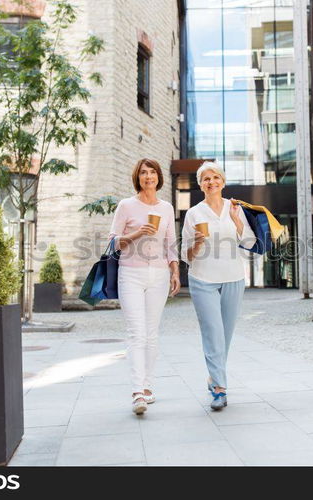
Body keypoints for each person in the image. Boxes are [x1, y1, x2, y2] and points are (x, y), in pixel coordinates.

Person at [181, 161, 256, 410]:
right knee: (213, 332)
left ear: (222, 181)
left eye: (215, 177)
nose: (211, 182)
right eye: (205, 179)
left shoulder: (235, 208)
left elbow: (249, 241)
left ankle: (214, 376)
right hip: (203, 279)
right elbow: (185, 255)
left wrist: (236, 221)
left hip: (234, 277)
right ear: (200, 184)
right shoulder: (194, 213)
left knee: (226, 334)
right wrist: (197, 245)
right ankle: (220, 389)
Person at [109, 158, 181, 415]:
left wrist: (175, 270)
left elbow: (170, 242)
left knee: (151, 333)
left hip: (159, 276)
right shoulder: (126, 206)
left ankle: (148, 386)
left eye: (152, 172)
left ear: (159, 177)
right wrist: (138, 233)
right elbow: (113, 243)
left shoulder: (167, 208)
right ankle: (137, 391)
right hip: (130, 274)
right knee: (136, 333)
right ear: (137, 177)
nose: (148, 176)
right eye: (143, 173)